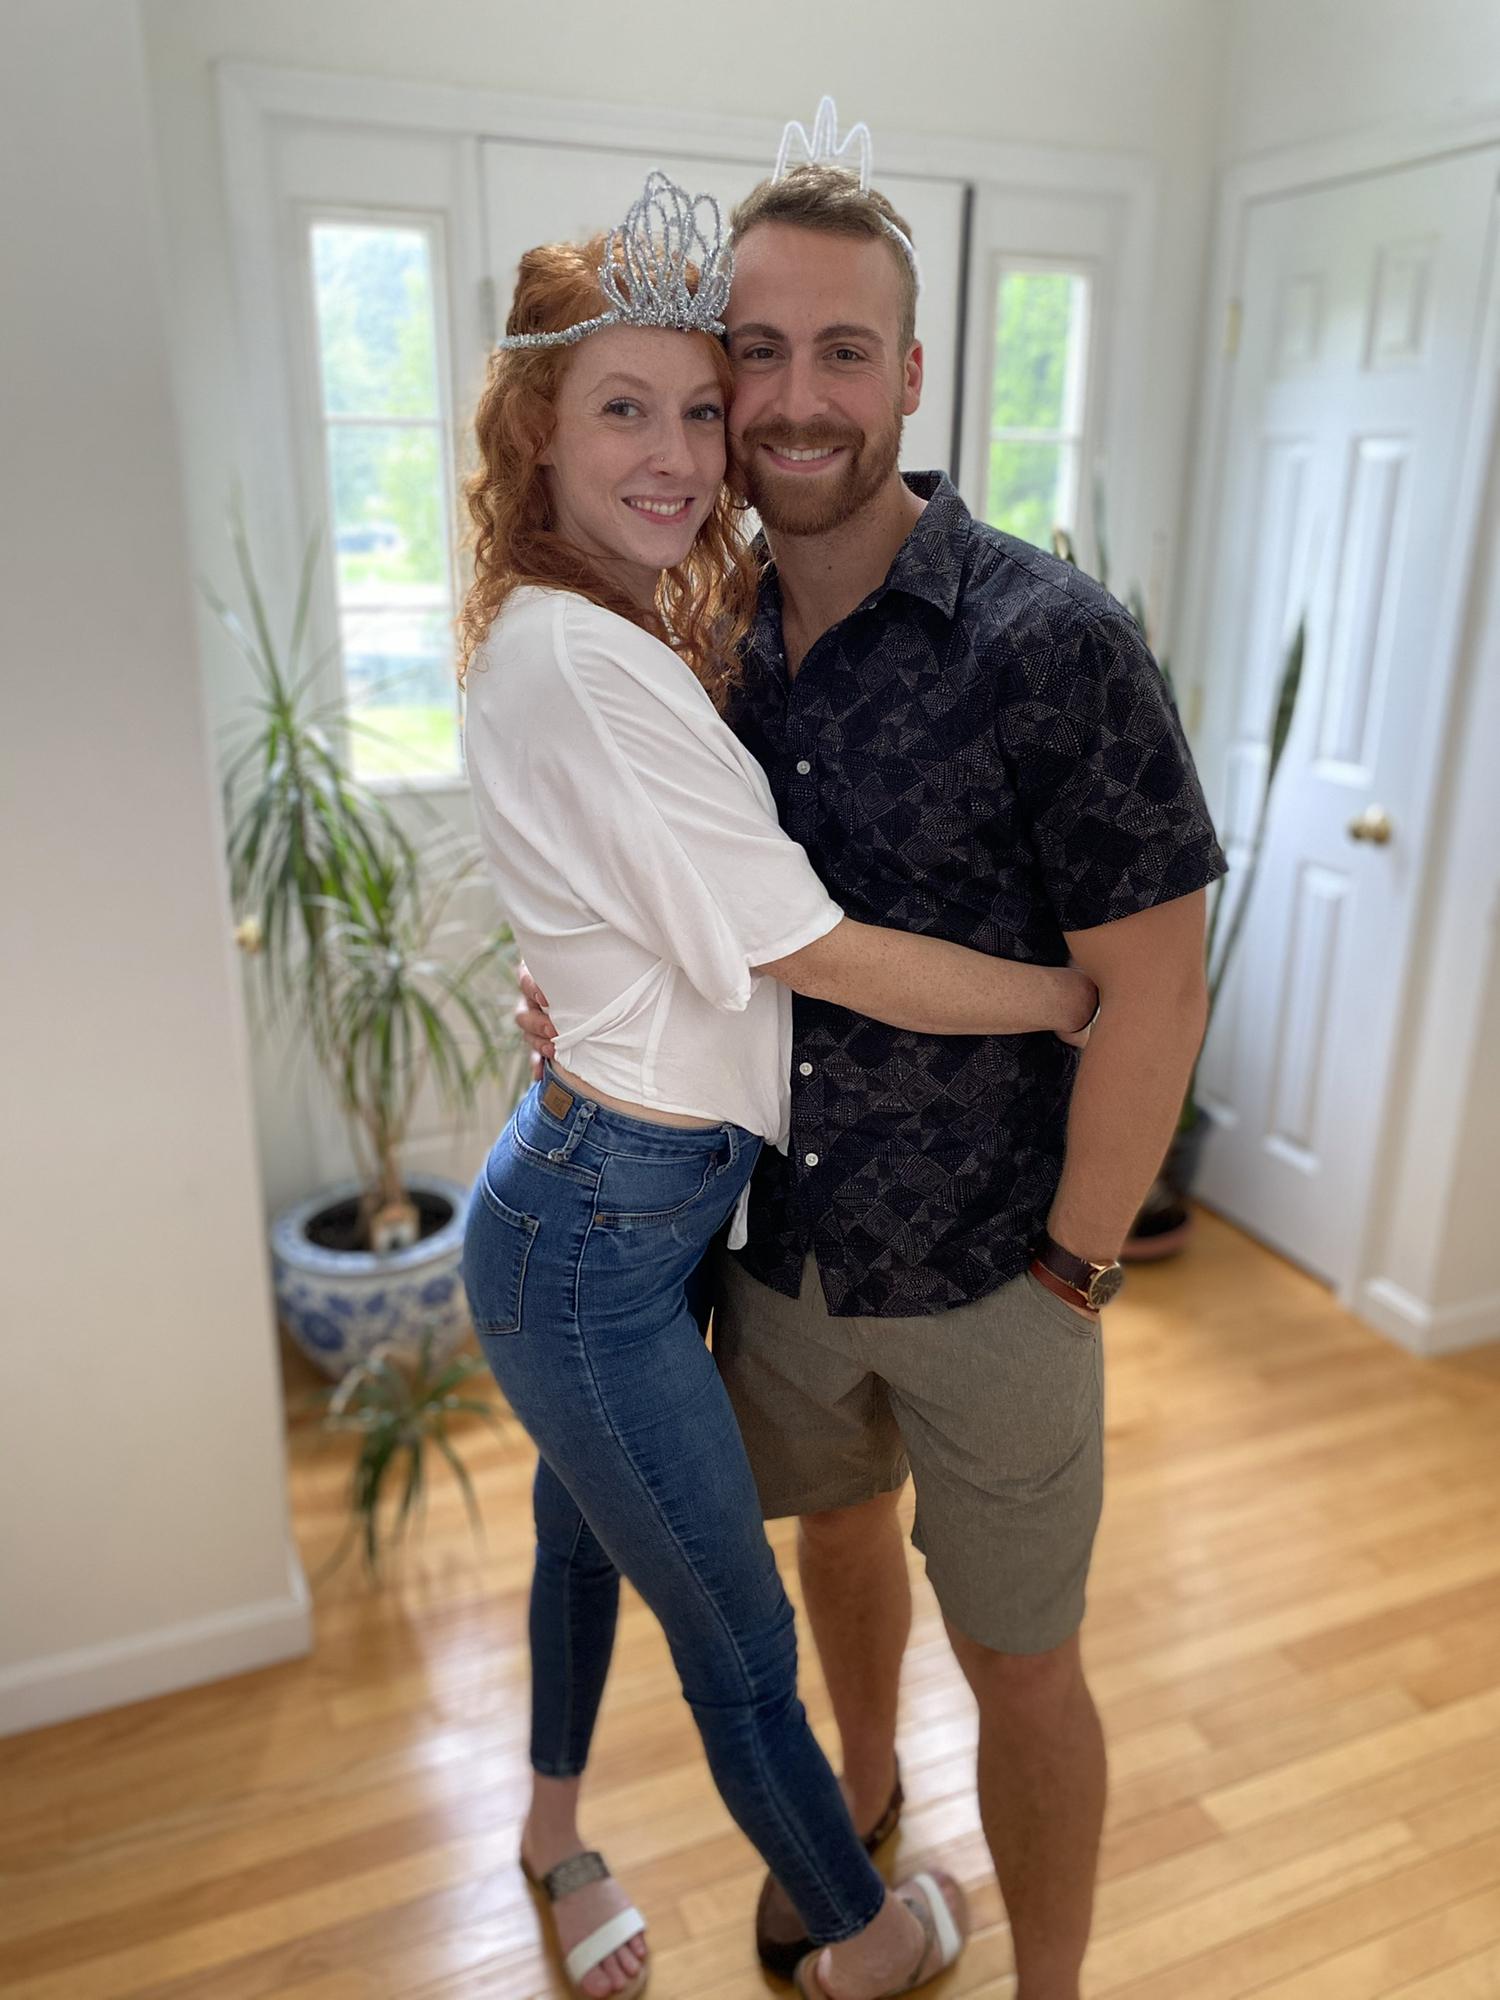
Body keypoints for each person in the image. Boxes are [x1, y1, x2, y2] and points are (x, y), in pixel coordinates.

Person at [516, 108, 1228, 2000]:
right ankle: (860, 1783)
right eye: (757, 352)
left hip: (1003, 1271)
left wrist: (1078, 1266)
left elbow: (1158, 988)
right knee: (833, 1543)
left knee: (1023, 1661)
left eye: (846, 351)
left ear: (912, 376)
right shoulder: (695, 631)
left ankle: (1049, 1982)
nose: (798, 397)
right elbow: (648, 894)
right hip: (774, 1252)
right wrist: (562, 999)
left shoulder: (1054, 644)